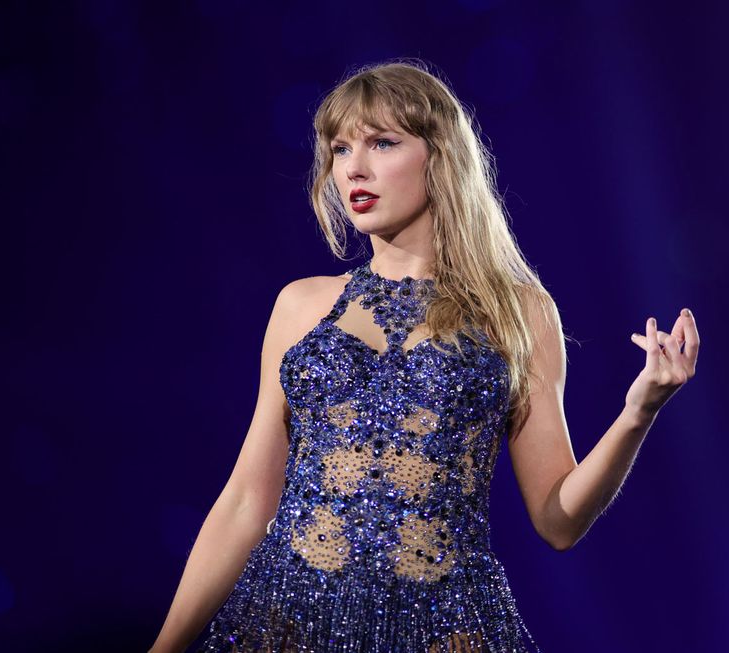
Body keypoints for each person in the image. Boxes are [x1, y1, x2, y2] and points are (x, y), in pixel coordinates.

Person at [149, 58, 700, 653]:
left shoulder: (517, 312)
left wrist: (639, 412)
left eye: (382, 143)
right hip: (291, 626)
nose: (353, 168)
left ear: (439, 157)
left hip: (443, 630)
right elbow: (244, 503)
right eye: (340, 149)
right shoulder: (300, 306)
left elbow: (557, 520)